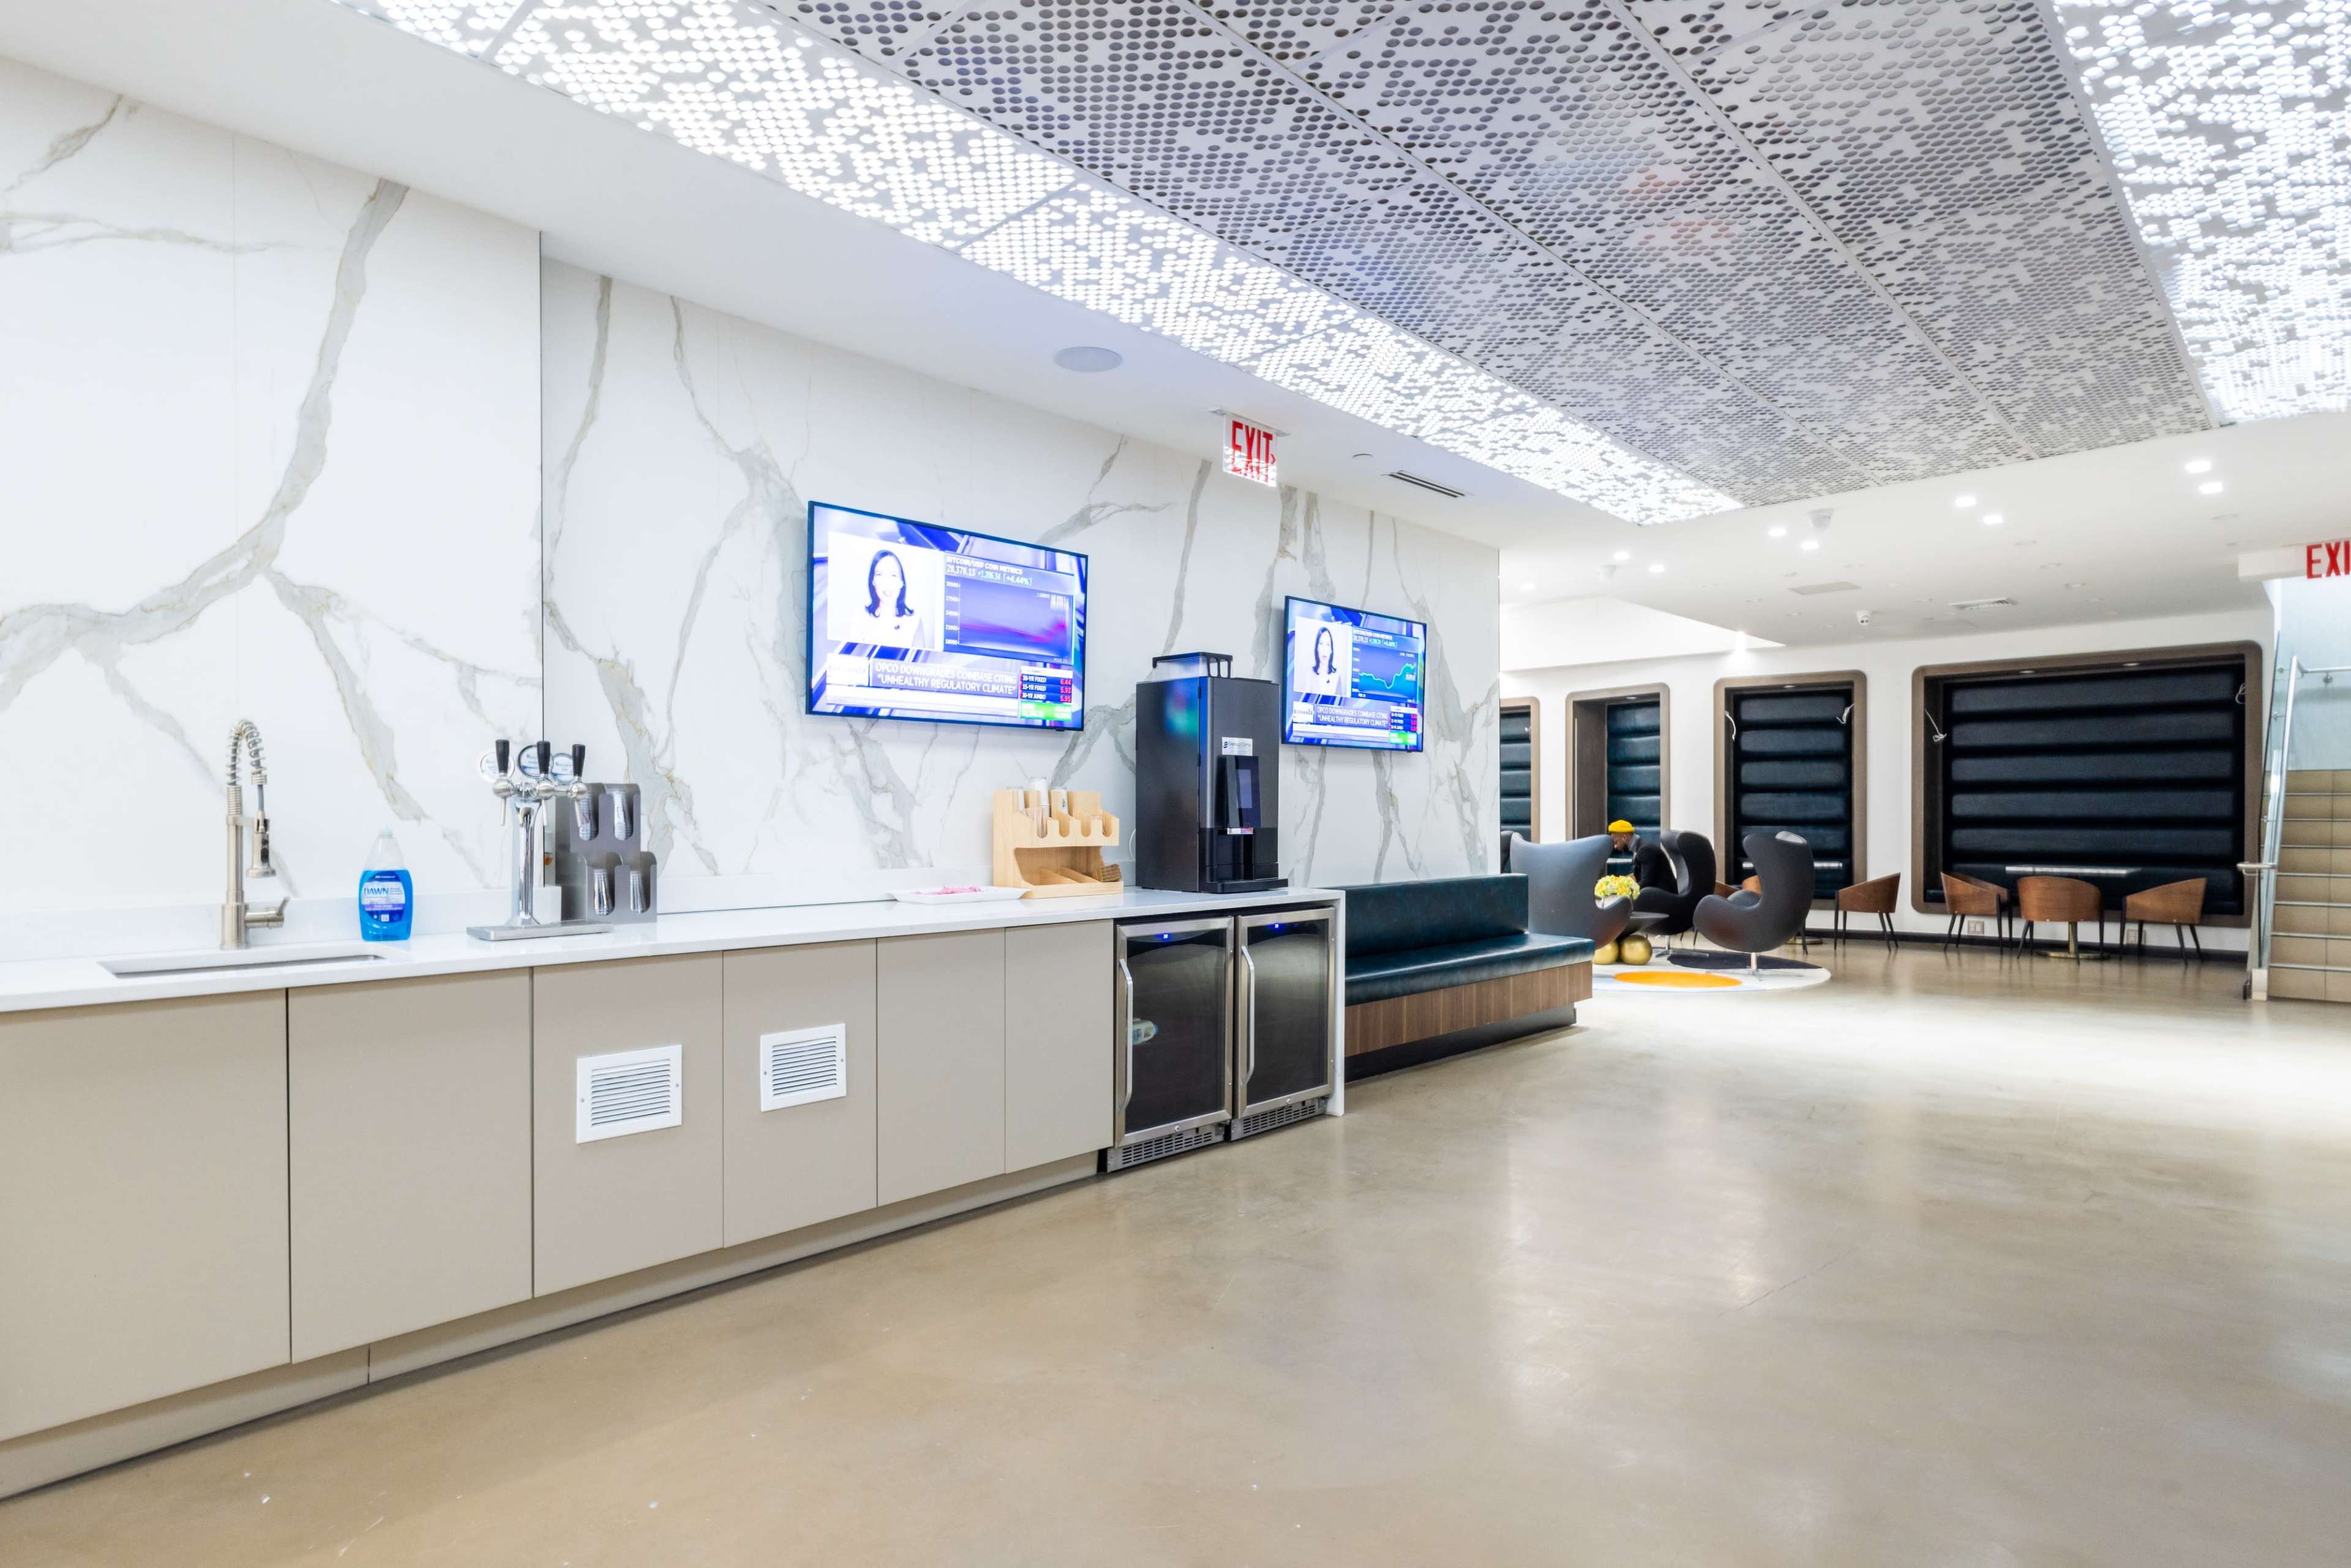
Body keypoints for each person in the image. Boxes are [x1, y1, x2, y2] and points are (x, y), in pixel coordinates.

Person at [853, 547, 928, 650]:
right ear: (873, 581)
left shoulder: (914, 621)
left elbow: (920, 664)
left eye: (893, 575)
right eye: (880, 575)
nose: (887, 583)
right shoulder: (861, 618)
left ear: (902, 582)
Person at [1610, 819, 1676, 891]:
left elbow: (1646, 883)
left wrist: (1622, 890)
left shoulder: (1645, 851)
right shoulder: (1639, 848)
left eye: (1616, 843)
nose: (1615, 847)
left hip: (1664, 897)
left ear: (1625, 838)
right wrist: (1617, 883)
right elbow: (1637, 876)